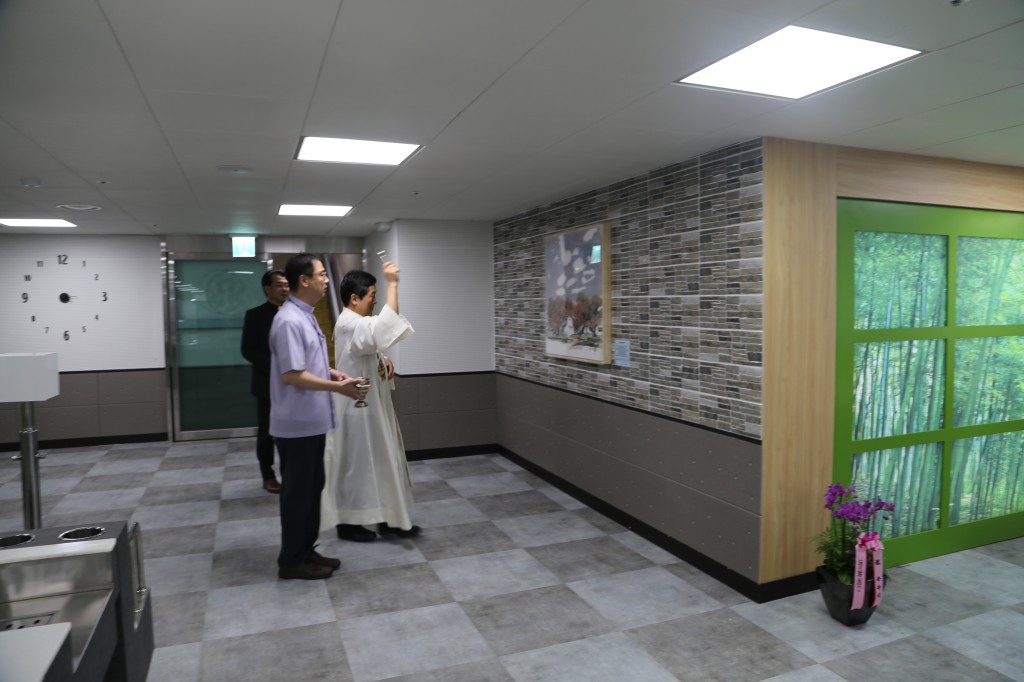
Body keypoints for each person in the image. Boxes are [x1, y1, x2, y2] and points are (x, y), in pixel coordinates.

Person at [270, 253, 367, 580]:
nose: (327, 280)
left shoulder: (305, 315)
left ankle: (305, 551)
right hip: (296, 425)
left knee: (312, 491)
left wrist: (330, 372)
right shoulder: (289, 320)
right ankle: (291, 561)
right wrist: (338, 388)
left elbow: (306, 364)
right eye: (322, 274)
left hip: (311, 422)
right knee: (298, 496)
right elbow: (292, 375)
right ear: (304, 280)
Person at [322, 261, 417, 542]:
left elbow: (370, 345)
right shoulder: (349, 323)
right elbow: (382, 329)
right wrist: (393, 284)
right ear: (355, 298)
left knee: (382, 461)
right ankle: (349, 523)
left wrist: (383, 361)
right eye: (373, 295)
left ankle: (388, 517)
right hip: (357, 407)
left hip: (370, 406)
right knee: (359, 466)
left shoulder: (354, 324)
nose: (375, 301)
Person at [241, 269, 290, 494]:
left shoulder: (295, 314)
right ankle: (268, 475)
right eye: (279, 285)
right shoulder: (255, 315)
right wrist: (275, 367)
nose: (285, 289)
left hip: (293, 385)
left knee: (290, 431)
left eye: (287, 285)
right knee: (267, 433)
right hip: (267, 385)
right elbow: (248, 349)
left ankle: (290, 471)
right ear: (267, 289)